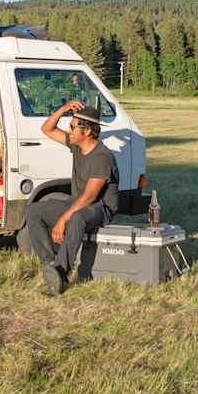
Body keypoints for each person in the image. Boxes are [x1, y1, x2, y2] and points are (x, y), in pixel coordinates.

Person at [26, 99, 119, 295]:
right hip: (78, 203)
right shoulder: (77, 145)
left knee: (76, 217)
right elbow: (47, 129)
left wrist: (62, 219)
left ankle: (61, 272)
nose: (69, 130)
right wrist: (62, 109)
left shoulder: (102, 157)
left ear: (86, 132)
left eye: (72, 127)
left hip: (101, 208)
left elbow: (89, 197)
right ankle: (50, 264)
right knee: (34, 210)